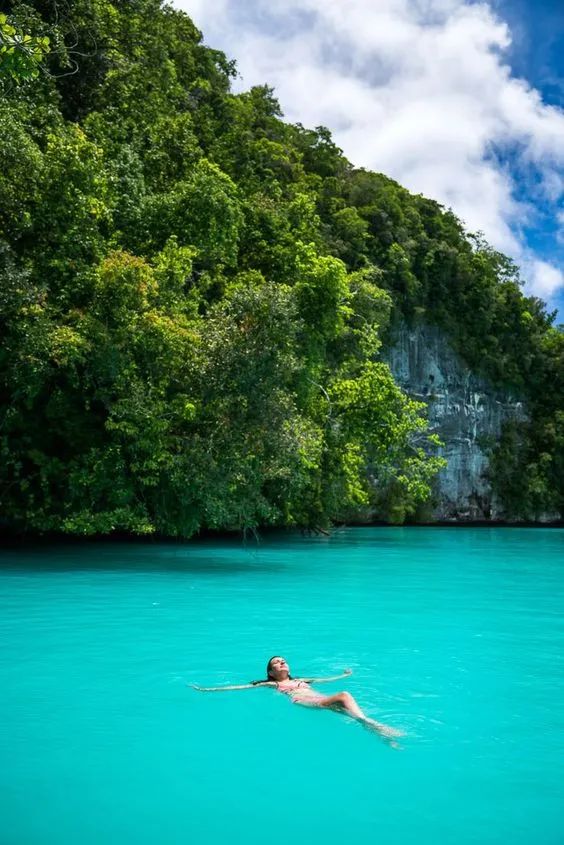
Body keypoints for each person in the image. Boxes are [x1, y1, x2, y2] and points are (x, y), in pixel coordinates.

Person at [191, 655, 403, 740]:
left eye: (284, 660)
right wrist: (207, 690)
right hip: (303, 701)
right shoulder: (273, 683)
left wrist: (344, 674)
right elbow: (238, 688)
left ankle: (385, 738)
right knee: (344, 696)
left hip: (319, 698)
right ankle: (372, 724)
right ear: (271, 672)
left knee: (345, 706)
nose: (282, 662)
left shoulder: (302, 679)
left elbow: (326, 680)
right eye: (277, 662)